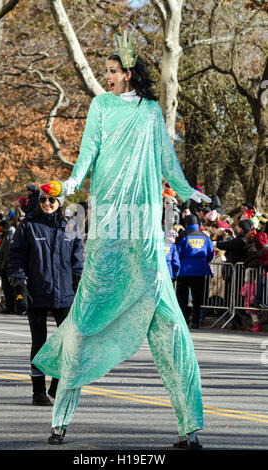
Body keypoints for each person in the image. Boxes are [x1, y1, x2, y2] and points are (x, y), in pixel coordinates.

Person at [32, 32, 211, 448]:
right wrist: (67, 185)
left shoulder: (150, 112)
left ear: (128, 73)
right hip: (109, 232)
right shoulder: (100, 106)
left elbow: (168, 163)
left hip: (145, 237)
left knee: (170, 326)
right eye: (106, 72)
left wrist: (189, 193)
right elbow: (85, 159)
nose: (106, 77)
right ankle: (60, 421)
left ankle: (190, 428)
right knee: (85, 322)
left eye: (111, 71)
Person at [7, 185, 84, 406]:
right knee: (39, 343)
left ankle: (57, 382)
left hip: (65, 295)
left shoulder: (70, 227)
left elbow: (78, 262)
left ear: (60, 202)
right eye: (43, 200)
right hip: (36, 293)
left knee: (68, 343)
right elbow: (16, 259)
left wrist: (79, 288)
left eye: (51, 200)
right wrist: (19, 286)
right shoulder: (28, 226)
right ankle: (38, 392)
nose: (47, 204)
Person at [176, 215, 214, 328]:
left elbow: (177, 252)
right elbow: (210, 254)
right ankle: (196, 321)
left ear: (186, 224)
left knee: (182, 297)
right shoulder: (205, 237)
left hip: (184, 270)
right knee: (198, 298)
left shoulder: (183, 236)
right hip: (200, 270)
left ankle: (184, 319)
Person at [0, 220, 15, 314]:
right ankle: (11, 306)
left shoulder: (9, 236)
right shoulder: (6, 235)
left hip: (7, 267)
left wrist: (3, 267)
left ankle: (11, 307)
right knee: (7, 289)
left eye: (0, 227)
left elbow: (6, 254)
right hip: (6, 266)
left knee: (9, 289)